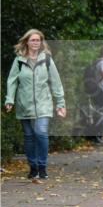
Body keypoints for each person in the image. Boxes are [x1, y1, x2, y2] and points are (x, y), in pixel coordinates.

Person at [4, 29, 66, 182]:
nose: (35, 43)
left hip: (43, 103)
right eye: (32, 40)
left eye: (38, 40)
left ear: (41, 42)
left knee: (41, 132)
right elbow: (12, 81)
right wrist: (9, 99)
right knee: (29, 136)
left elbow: (56, 82)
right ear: (27, 42)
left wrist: (60, 103)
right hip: (24, 103)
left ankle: (42, 167)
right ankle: (33, 167)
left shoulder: (47, 60)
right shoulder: (19, 60)